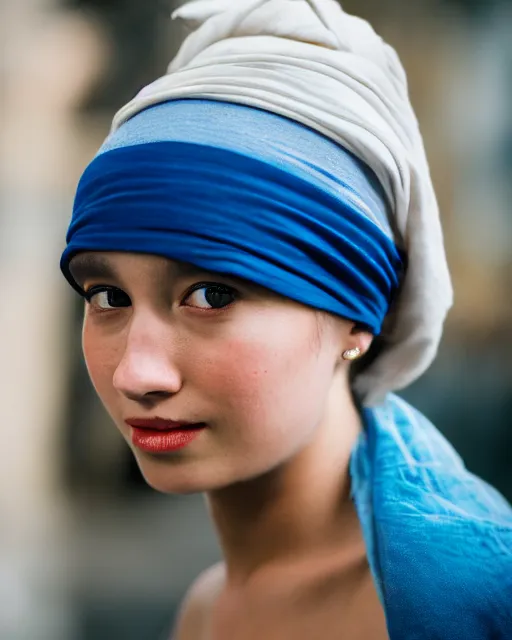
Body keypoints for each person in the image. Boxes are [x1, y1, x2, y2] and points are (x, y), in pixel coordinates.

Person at [59, 1, 512, 638]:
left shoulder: (464, 604)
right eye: (108, 297)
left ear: (359, 315)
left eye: (212, 296)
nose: (137, 373)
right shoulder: (207, 609)